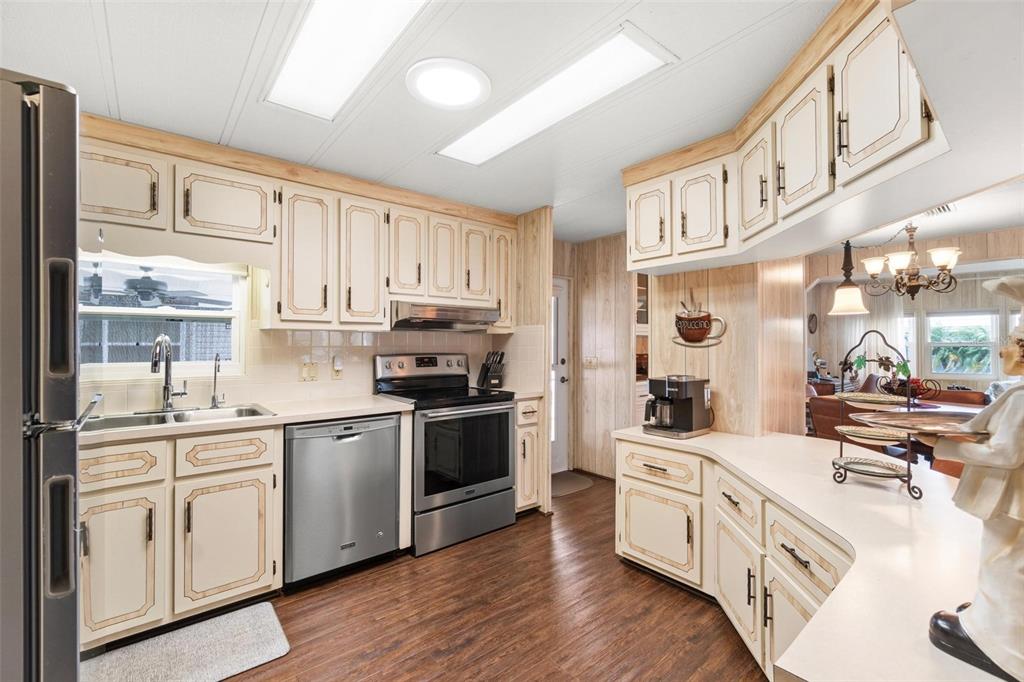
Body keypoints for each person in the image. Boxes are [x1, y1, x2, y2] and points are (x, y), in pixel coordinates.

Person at [920, 275, 1024, 681]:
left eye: (1012, 341)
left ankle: (998, 640)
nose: (1002, 348)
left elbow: (1004, 453)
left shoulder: (1019, 398)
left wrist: (939, 445)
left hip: (1013, 499)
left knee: (1004, 558)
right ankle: (990, 620)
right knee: (1005, 557)